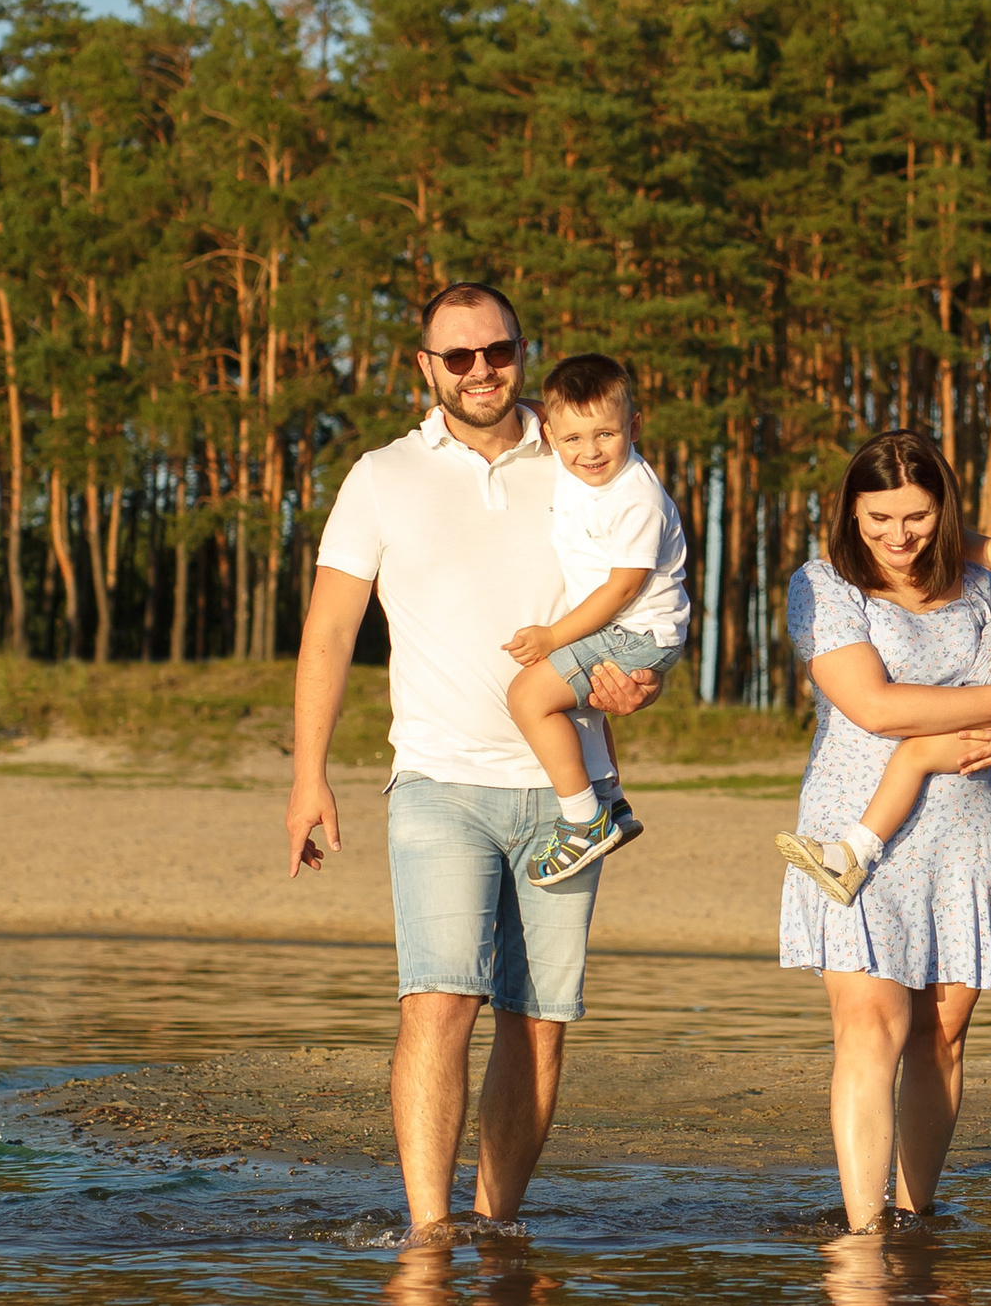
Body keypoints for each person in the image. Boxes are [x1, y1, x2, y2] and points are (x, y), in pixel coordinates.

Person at [285, 282, 665, 1239]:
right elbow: (330, 632)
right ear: (426, 367)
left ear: (520, 352)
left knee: (538, 1026)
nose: (481, 371)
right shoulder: (381, 477)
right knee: (440, 1001)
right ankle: (428, 1233)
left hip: (567, 785)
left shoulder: (589, 454)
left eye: (497, 351)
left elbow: (645, 589)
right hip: (437, 783)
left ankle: (495, 1226)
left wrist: (637, 682)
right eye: (458, 357)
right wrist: (307, 776)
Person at [776, 429, 991, 1234]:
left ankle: (913, 1215)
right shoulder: (825, 585)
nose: (897, 536)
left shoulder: (983, 584)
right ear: (850, 511)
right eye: (878, 517)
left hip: (965, 829)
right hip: (858, 830)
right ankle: (864, 1233)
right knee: (871, 1024)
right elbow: (873, 705)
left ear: (944, 511)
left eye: (916, 515)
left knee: (941, 1033)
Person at [777, 474, 991, 906]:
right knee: (953, 753)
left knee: (916, 753)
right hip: (981, 691)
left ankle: (853, 856)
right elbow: (962, 541)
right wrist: (861, 546)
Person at [501, 352, 692, 887]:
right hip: (630, 629)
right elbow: (543, 410)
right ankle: (612, 802)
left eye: (605, 435)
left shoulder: (635, 498)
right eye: (572, 438)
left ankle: (584, 821)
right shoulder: (575, 452)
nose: (589, 452)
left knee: (529, 696)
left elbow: (624, 586)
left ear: (633, 427)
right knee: (581, 707)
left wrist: (552, 637)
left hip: (636, 631)